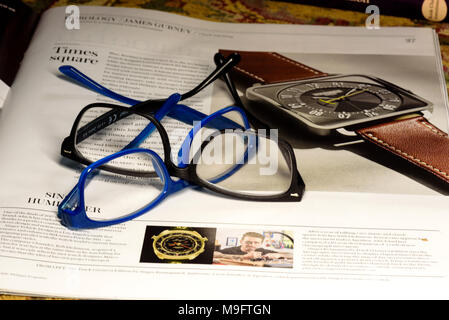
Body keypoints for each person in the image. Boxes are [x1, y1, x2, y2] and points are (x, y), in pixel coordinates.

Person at [214, 232, 292, 260]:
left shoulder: (263, 250)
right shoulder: (232, 250)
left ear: (260, 244)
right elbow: (214, 254)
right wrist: (243, 257)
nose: (252, 245)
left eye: (256, 243)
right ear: (241, 242)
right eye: (248, 242)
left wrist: (278, 254)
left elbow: (291, 255)